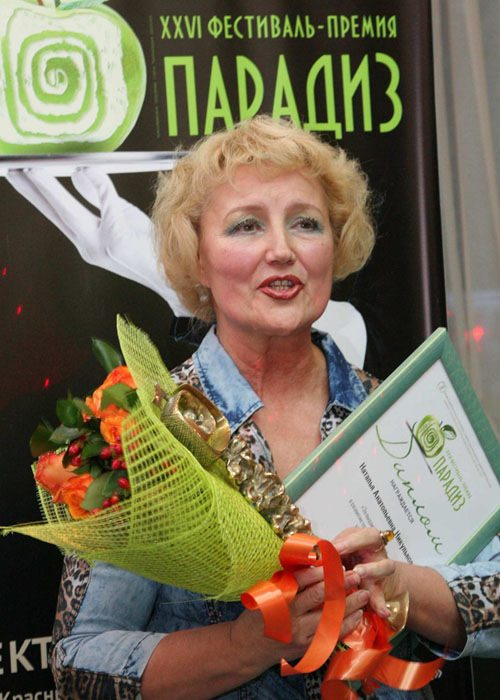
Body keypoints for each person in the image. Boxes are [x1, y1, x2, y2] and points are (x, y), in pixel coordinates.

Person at [50, 116, 499, 700]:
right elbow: (78, 665)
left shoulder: (403, 413)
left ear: (335, 248)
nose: (282, 250)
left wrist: (403, 589)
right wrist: (250, 644)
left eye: (306, 223)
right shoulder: (140, 432)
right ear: (197, 258)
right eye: (246, 226)